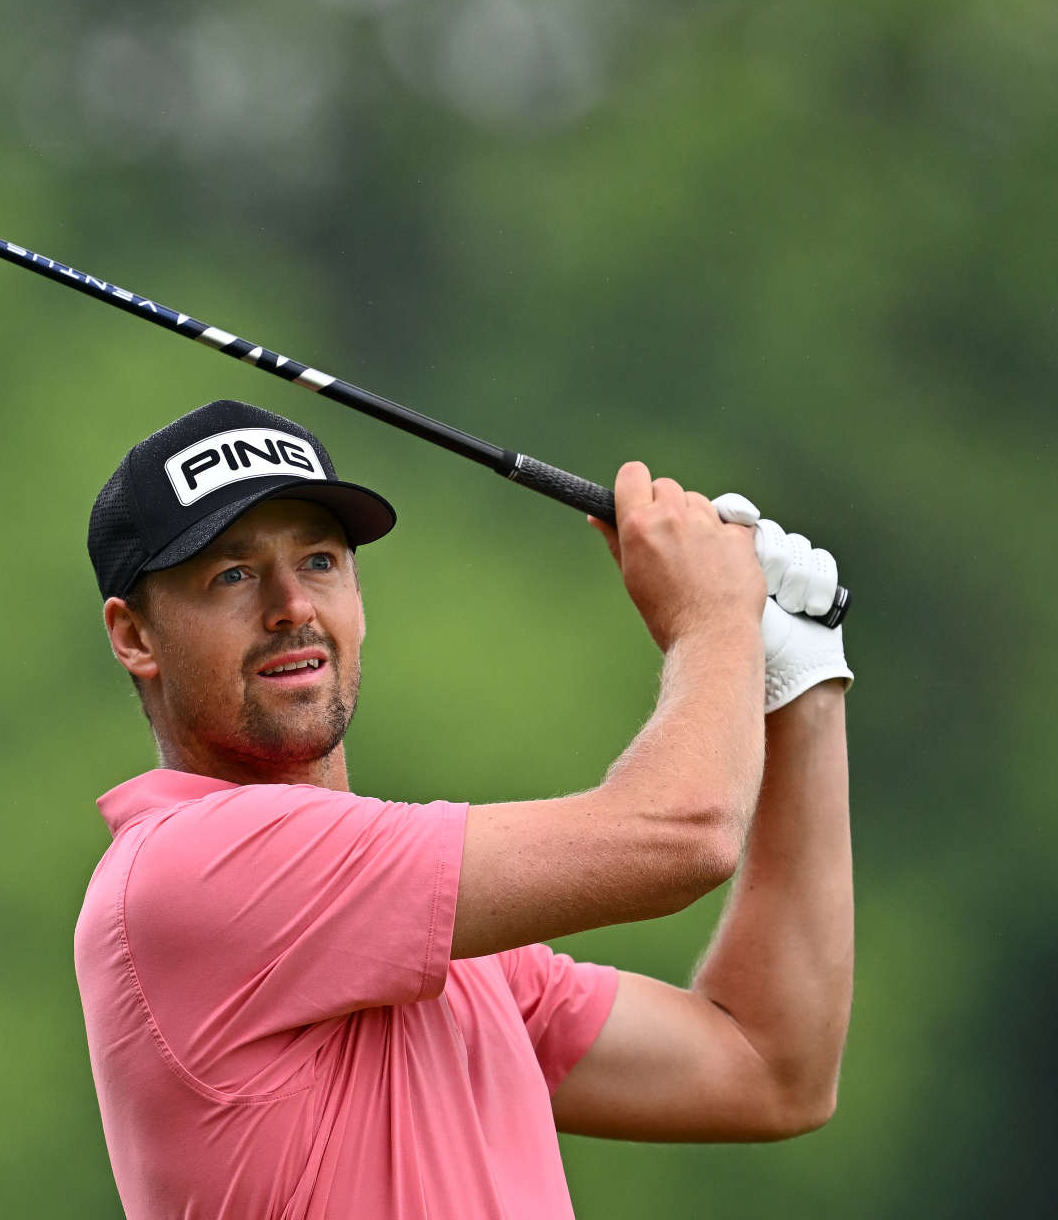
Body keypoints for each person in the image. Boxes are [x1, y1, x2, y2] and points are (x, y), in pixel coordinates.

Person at [73, 399, 853, 1218]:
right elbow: (683, 835)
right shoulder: (190, 868)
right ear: (135, 637)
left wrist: (797, 683)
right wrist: (715, 617)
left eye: (320, 561)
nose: (292, 605)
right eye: (232, 574)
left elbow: (769, 1068)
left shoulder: (447, 951)